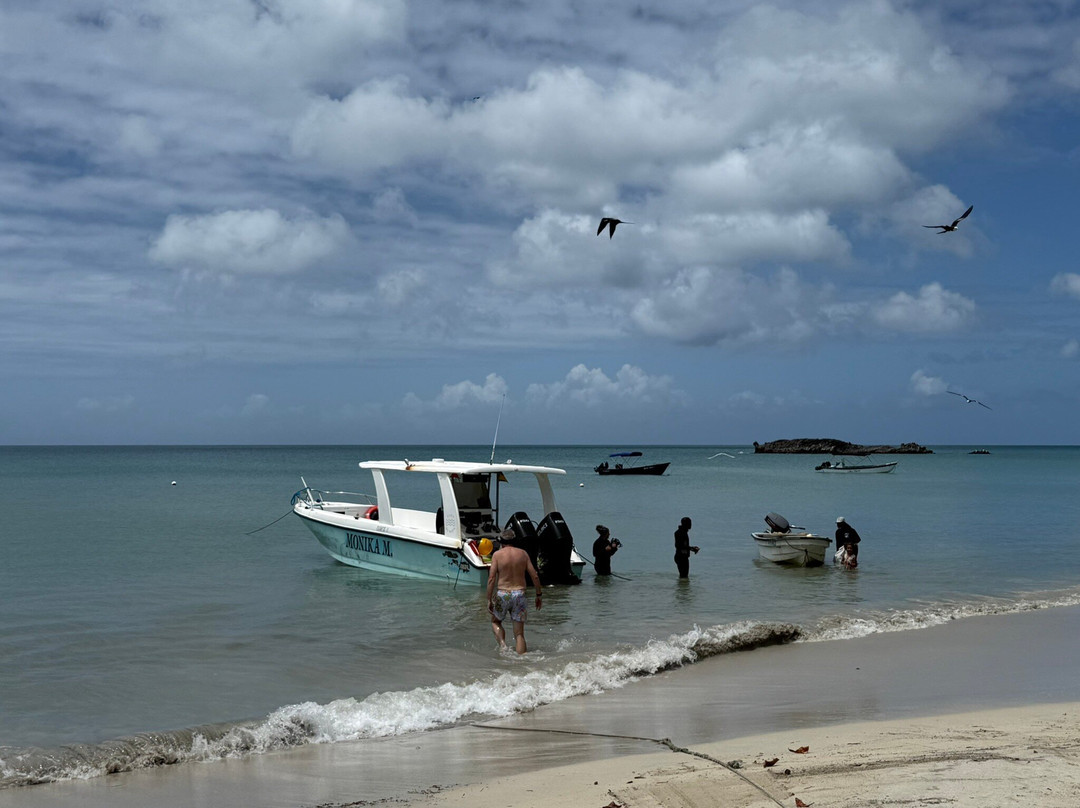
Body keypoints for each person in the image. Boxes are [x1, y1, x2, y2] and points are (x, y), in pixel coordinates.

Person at [486, 532, 543, 654]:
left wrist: (488, 599)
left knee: (495, 621)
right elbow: (535, 576)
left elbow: (491, 579)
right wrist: (538, 595)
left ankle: (503, 646)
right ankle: (522, 661)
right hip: (519, 594)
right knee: (519, 634)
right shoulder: (523, 554)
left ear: (501, 542)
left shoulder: (497, 555)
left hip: (503, 593)